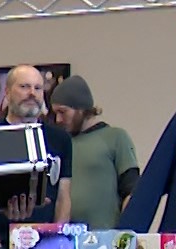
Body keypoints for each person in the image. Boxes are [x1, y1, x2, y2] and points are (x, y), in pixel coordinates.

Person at [0, 65, 73, 245]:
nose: (32, 93)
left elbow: (63, 195)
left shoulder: (60, 138)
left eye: (38, 88)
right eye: (24, 87)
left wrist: (57, 239)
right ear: (7, 92)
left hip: (45, 244)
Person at [50, 76, 139, 230]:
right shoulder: (61, 144)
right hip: (66, 240)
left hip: (105, 240)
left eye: (63, 112)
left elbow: (131, 191)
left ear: (81, 108)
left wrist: (125, 234)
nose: (58, 119)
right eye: (55, 113)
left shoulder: (115, 137)